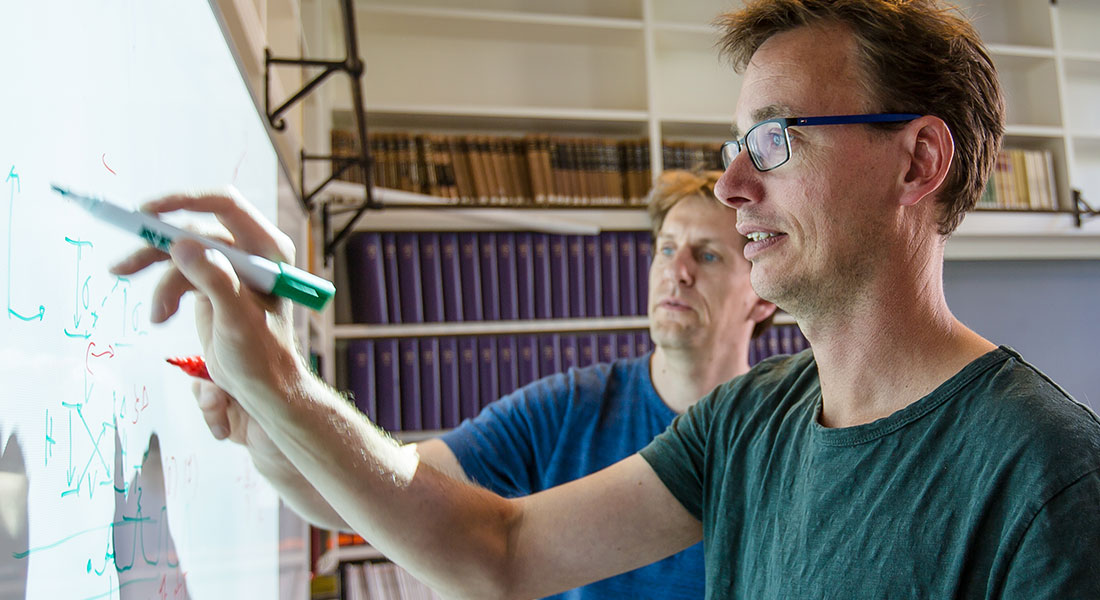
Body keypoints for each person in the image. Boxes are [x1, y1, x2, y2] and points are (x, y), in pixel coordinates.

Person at [111, 0, 1100, 597]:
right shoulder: (750, 419)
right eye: (732, 149)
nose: (730, 189)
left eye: (775, 139)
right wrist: (276, 383)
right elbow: (494, 551)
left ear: (916, 160)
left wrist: (277, 388)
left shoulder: (1046, 478)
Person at [413, 169, 775, 599]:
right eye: (665, 249)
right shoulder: (568, 406)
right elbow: (404, 483)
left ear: (763, 295)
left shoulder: (782, 432)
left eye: (708, 255)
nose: (676, 271)